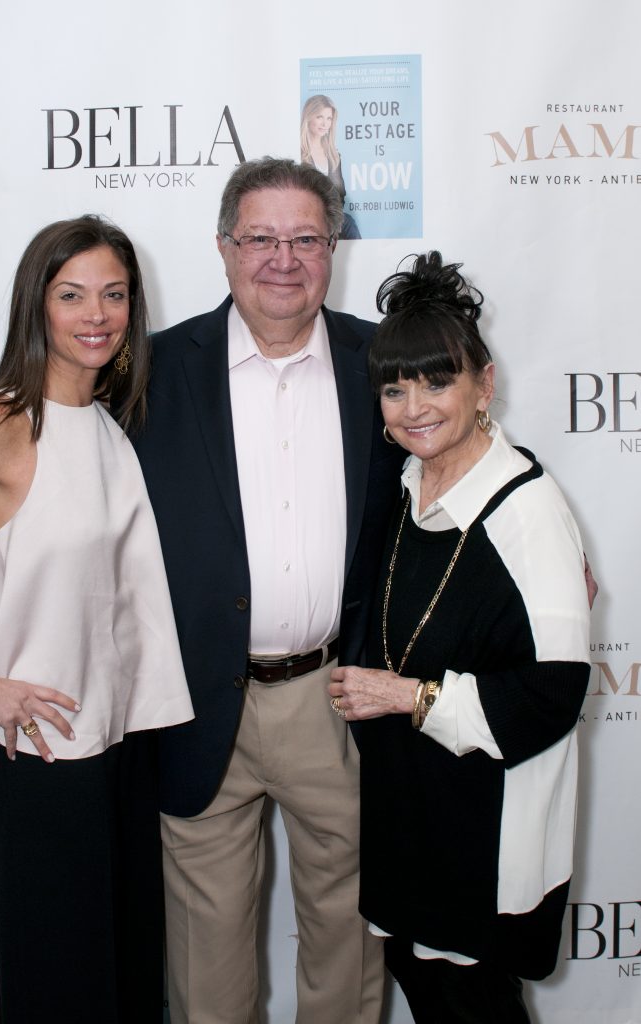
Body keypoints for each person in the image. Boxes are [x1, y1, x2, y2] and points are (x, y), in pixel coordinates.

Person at [0, 215, 193, 1023]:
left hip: (125, 747)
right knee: (62, 989)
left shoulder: (110, 423)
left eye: (114, 294)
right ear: (38, 305)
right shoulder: (0, 424)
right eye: (72, 294)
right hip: (46, 753)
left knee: (126, 983)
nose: (96, 313)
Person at [131, 158, 404, 1023]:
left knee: (350, 940)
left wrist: (541, 549)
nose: (281, 258)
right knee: (205, 959)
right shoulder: (149, 372)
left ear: (332, 250)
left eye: (304, 239)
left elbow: (469, 448)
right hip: (198, 701)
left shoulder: (383, 361)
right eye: (259, 238)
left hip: (340, 697)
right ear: (223, 248)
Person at [328, 251, 591, 1023]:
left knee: (472, 1005)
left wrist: (406, 695)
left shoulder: (526, 511)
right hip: (411, 810)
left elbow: (553, 692)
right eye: (394, 386)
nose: (413, 406)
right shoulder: (409, 481)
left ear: (484, 384)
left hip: (483, 827)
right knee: (426, 993)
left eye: (437, 381)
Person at [300, 94, 361, 240]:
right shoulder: (299, 154)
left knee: (349, 224)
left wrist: (334, 216)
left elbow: (341, 194)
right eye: (319, 117)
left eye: (329, 118)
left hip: (331, 217)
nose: (325, 123)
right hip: (305, 217)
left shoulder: (334, 155)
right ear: (309, 116)